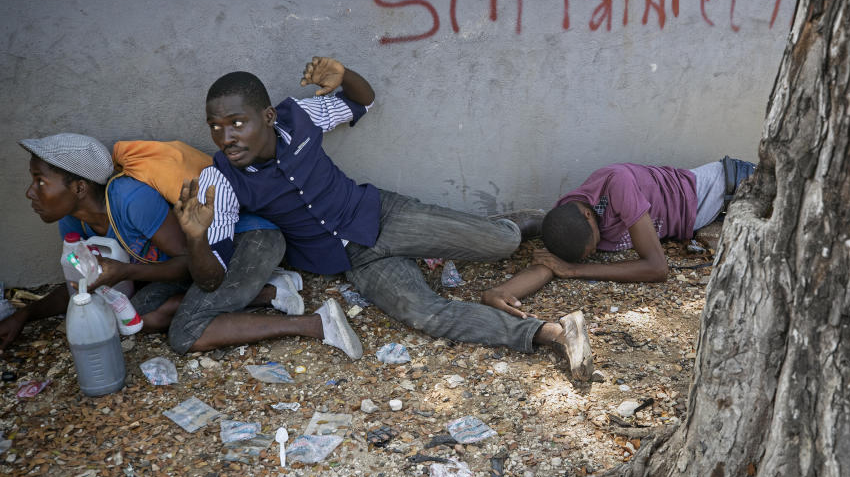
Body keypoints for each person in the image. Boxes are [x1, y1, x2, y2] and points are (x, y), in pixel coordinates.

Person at [175, 56, 592, 376]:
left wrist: (345, 72)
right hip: (356, 261)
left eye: (236, 123)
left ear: (267, 116)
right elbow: (211, 280)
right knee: (427, 314)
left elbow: (363, 100)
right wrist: (195, 237)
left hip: (382, 215)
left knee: (502, 243)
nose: (225, 137)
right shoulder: (219, 182)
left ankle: (516, 224)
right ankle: (549, 333)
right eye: (215, 127)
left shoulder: (299, 116)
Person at [0, 133, 304, 352]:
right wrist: (24, 315)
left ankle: (313, 324)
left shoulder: (131, 199)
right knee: (137, 315)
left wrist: (125, 272)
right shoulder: (73, 220)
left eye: (40, 182)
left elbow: (190, 263)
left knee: (185, 331)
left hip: (245, 240)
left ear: (80, 187)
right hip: (205, 265)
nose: (30, 192)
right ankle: (269, 292)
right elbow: (79, 287)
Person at [480, 159, 756, 317]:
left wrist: (575, 270)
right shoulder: (571, 220)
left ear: (589, 217)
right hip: (715, 214)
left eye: (592, 248)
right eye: (589, 254)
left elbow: (657, 268)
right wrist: (501, 292)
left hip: (730, 187)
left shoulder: (617, 184)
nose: (596, 250)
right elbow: (550, 266)